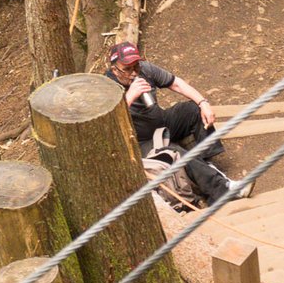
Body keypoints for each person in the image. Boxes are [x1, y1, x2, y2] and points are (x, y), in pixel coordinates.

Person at [105, 42, 254, 202]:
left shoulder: (144, 70)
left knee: (192, 110)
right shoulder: (107, 87)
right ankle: (223, 190)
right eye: (127, 69)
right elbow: (109, 124)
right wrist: (130, 96)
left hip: (161, 122)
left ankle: (206, 163)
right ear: (114, 69)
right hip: (141, 140)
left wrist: (203, 102)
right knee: (175, 153)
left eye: (136, 66)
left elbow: (176, 83)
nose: (134, 73)